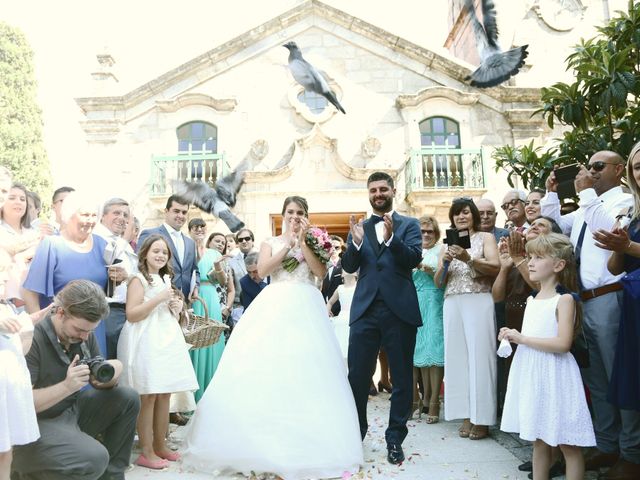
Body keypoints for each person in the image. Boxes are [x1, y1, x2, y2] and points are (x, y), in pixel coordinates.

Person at [183, 195, 363, 479]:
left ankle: (307, 440)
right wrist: (287, 247)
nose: (294, 216)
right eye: (290, 212)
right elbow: (264, 270)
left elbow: (318, 274)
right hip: (276, 302)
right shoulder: (270, 242)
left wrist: (304, 242)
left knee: (307, 370)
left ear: (306, 215)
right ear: (283, 215)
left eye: (300, 212)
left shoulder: (314, 240)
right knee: (268, 366)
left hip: (306, 305)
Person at [541, 150, 640, 479]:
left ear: (616, 169)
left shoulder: (621, 201)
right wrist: (552, 193)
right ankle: (607, 444)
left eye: (598, 167)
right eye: (589, 167)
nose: (591, 172)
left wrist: (585, 193)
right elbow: (559, 225)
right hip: (585, 301)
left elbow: (608, 235)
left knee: (620, 378)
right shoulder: (588, 206)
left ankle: (631, 452)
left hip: (610, 298)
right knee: (597, 380)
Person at [11, 280, 140, 480]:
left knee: (127, 397)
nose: (85, 336)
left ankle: (112, 476)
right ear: (60, 312)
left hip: (68, 414)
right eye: (80, 330)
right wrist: (66, 386)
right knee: (93, 457)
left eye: (90, 330)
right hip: (33, 426)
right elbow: (19, 406)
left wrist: (113, 371)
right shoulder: (32, 338)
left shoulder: (83, 332)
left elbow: (100, 381)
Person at [500, 233, 596, 480]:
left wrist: (522, 339)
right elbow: (532, 334)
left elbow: (563, 343)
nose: (530, 262)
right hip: (534, 373)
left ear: (558, 265)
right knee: (539, 439)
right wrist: (512, 335)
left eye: (538, 257)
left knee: (568, 443)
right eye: (530, 256)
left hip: (556, 374)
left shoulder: (564, 299)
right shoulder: (532, 299)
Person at [342, 171, 422, 465]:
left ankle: (394, 439)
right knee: (358, 377)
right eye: (373, 190)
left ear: (393, 190)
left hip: (399, 310)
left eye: (383, 189)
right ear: (369, 193)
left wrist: (391, 241)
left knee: (401, 379)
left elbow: (413, 258)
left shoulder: (410, 225)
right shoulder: (360, 227)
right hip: (365, 310)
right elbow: (349, 266)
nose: (378, 194)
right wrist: (356, 244)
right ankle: (356, 433)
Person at [117, 234, 197, 470]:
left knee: (164, 393)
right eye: (156, 251)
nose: (160, 255)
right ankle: (147, 450)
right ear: (145, 253)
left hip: (166, 340)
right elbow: (132, 314)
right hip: (145, 340)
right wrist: (160, 298)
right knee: (148, 394)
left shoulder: (164, 279)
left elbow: (169, 310)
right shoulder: (137, 279)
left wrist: (177, 307)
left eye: (164, 252)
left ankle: (161, 445)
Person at [434, 197, 500, 441]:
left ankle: (482, 419)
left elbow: (495, 267)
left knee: (481, 357)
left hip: (478, 298)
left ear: (473, 214)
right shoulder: (446, 244)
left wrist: (468, 258)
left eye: (465, 212)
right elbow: (439, 282)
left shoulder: (486, 238)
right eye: (456, 214)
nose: (461, 217)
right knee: (458, 359)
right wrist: (445, 263)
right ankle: (464, 414)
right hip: (452, 301)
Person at [21, 191, 109, 355]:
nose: (90, 220)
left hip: (93, 331)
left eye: (94, 215)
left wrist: (119, 277)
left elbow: (108, 289)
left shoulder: (102, 245)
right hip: (61, 331)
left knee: (93, 375)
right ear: (69, 215)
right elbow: (30, 292)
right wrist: (42, 331)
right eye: (84, 214)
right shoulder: (51, 245)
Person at [596, 143, 640, 420]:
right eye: (638, 167)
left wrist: (628, 246)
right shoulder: (632, 212)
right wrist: (617, 244)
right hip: (633, 303)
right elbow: (614, 268)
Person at [93, 198, 137, 360]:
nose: (122, 218)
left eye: (125, 215)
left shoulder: (122, 243)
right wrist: (125, 239)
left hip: (127, 311)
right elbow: (106, 263)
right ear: (103, 216)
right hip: (108, 312)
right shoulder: (96, 237)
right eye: (116, 213)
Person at [412, 215, 445, 424]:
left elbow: (443, 274)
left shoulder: (440, 249)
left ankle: (434, 401)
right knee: (420, 350)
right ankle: (421, 399)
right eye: (422, 231)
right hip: (414, 301)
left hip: (433, 300)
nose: (425, 235)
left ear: (436, 233)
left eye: (429, 231)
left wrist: (426, 267)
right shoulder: (412, 249)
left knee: (434, 349)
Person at [187, 218, 225, 403]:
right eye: (196, 227)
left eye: (203, 227)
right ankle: (189, 396)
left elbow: (222, 281)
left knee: (210, 339)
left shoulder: (214, 253)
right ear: (190, 230)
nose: (200, 230)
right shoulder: (186, 249)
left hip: (210, 297)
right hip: (191, 298)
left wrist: (218, 268)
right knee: (191, 340)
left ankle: (211, 393)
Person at [137, 195, 199, 300]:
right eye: (176, 211)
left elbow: (194, 270)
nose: (180, 215)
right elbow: (139, 264)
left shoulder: (190, 243)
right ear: (166, 211)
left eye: (184, 212)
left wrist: (196, 286)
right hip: (156, 299)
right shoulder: (149, 234)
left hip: (184, 302)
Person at [0, 183, 40, 307]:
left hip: (32, 303)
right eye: (12, 198)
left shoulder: (34, 234)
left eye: (22, 199)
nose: (18, 202)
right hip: (5, 303)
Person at [207, 232, 235, 338]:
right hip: (206, 305)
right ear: (209, 242)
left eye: (223, 243)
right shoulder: (201, 259)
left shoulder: (226, 264)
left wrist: (227, 308)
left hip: (221, 308)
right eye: (217, 241)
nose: (220, 244)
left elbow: (231, 290)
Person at [326, 270, 357, 363]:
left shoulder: (358, 286)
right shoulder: (340, 288)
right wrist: (328, 309)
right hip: (341, 319)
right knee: (341, 345)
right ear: (342, 275)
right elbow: (330, 302)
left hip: (354, 318)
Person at [322, 235, 344, 317]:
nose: (333, 249)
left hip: (339, 309)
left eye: (337, 247)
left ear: (341, 249)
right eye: (331, 246)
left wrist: (332, 308)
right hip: (322, 307)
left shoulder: (344, 265)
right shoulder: (321, 264)